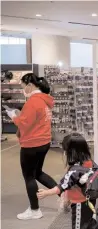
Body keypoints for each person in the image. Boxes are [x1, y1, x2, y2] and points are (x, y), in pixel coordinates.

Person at [5, 73, 58, 220]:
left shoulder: (33, 102)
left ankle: (35, 210)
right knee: (38, 173)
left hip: (31, 144)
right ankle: (63, 194)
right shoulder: (45, 100)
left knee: (29, 176)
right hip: (44, 141)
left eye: (22, 86)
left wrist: (13, 116)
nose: (23, 89)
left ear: (29, 85)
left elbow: (24, 124)